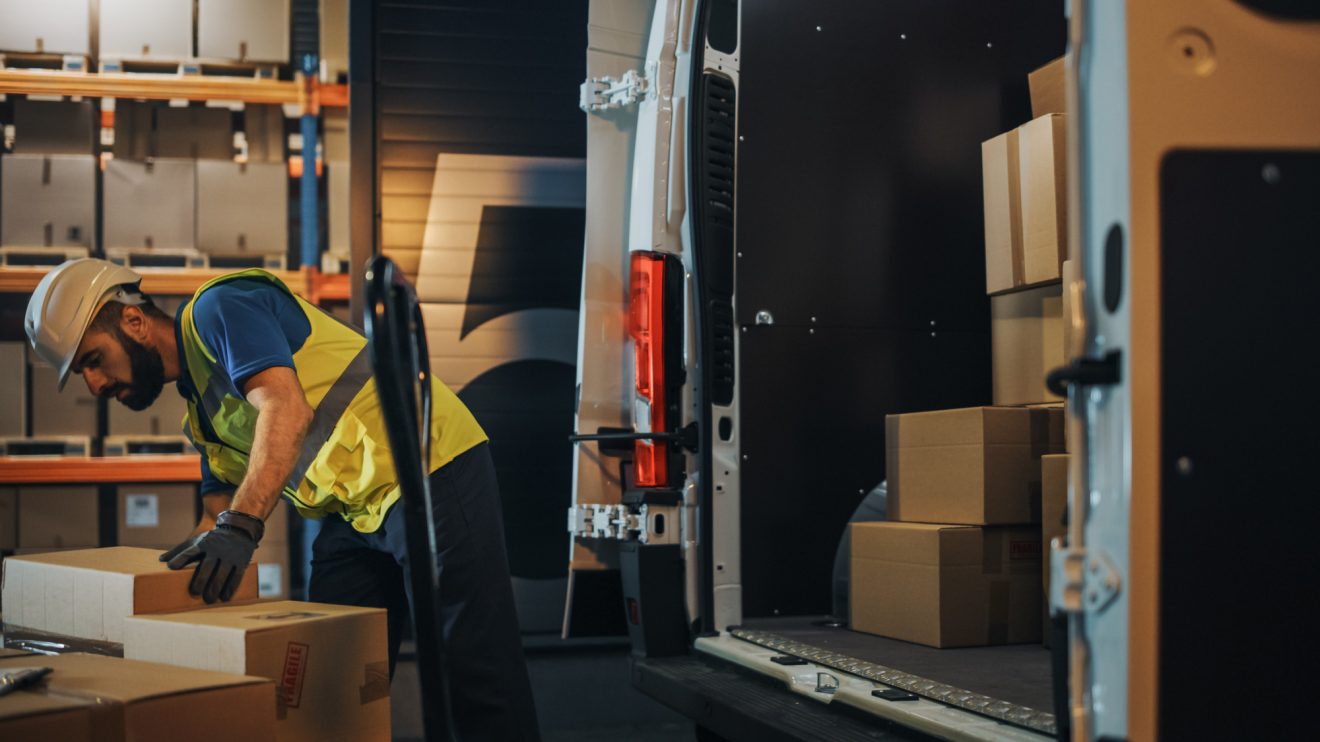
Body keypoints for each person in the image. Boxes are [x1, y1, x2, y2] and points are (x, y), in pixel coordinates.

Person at [24, 259, 540, 741]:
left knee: (469, 666)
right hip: (354, 513)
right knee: (330, 673)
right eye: (82, 374)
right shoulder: (202, 415)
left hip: (426, 466)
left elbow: (284, 407)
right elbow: (215, 519)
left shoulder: (218, 309)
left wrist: (240, 526)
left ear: (134, 322)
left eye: (93, 360)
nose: (93, 384)